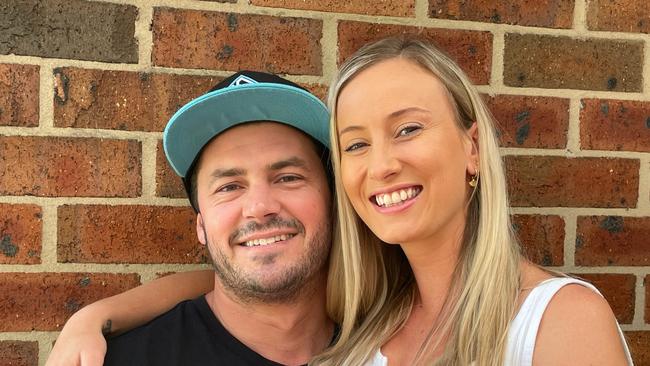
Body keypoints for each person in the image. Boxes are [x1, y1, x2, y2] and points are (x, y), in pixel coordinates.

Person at [47, 38, 633, 366]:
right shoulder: (373, 316)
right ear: (200, 225)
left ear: (472, 145)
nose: (382, 165)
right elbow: (221, 288)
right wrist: (93, 317)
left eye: (408, 129)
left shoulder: (554, 321)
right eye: (356, 144)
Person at [67, 70, 336, 365]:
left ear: (333, 202)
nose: (259, 207)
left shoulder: (387, 344)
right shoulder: (125, 359)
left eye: (287, 178)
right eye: (229, 187)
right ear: (201, 225)